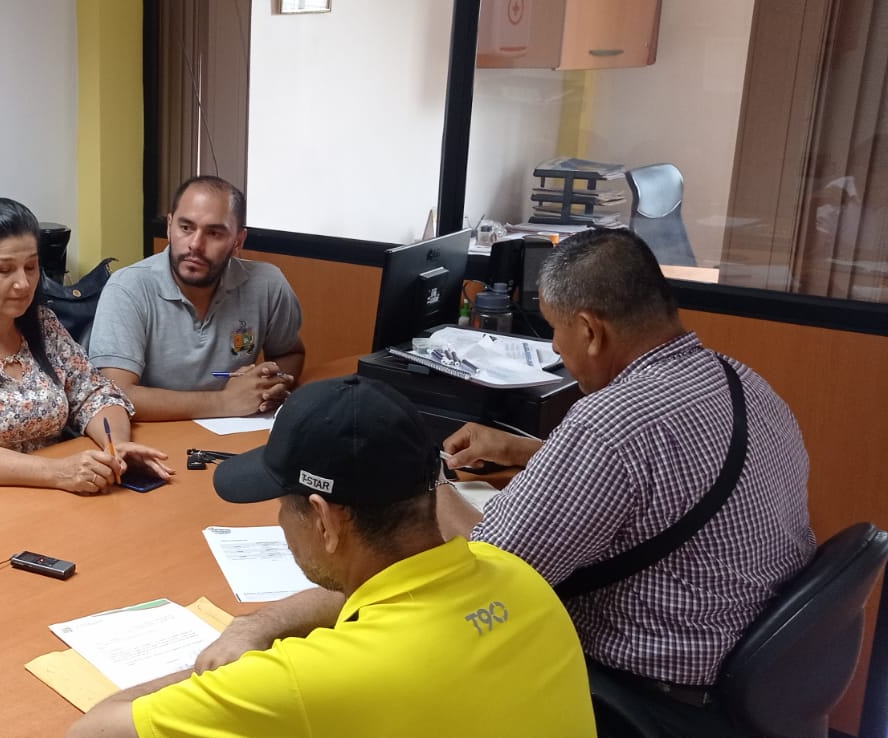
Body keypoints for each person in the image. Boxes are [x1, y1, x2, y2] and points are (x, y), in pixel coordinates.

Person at [200, 229, 816, 737]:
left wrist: (425, 480)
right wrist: (533, 451)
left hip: (647, 697)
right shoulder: (742, 381)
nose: (556, 350)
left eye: (555, 330)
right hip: (751, 672)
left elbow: (468, 571)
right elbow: (662, 479)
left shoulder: (607, 427)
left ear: (591, 330)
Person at [68, 375, 595, 738]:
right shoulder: (516, 574)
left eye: (283, 504)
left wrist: (224, 681)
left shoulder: (311, 681)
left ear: (323, 520)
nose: (280, 520)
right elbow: (379, 597)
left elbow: (91, 731)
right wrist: (255, 627)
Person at [0, 196, 171, 492]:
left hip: (45, 496)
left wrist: (116, 447)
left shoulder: (44, 325)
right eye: (5, 270)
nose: (23, 283)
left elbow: (94, 395)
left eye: (30, 267)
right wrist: (57, 472)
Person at [88, 175, 305, 421]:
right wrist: (225, 402)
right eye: (186, 228)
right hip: (156, 435)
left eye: (214, 233)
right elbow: (115, 395)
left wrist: (271, 384)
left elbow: (290, 354)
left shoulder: (267, 284)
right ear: (169, 227)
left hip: (236, 431)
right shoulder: (128, 288)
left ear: (238, 241)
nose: (195, 244)